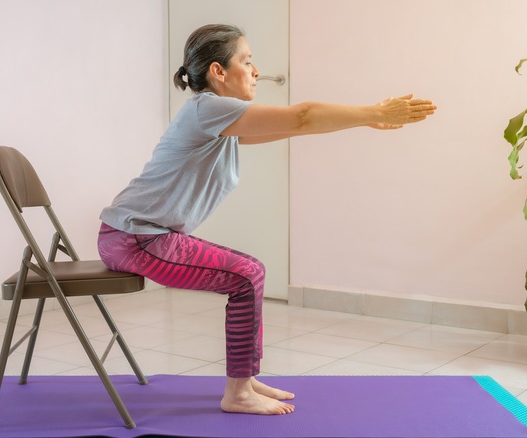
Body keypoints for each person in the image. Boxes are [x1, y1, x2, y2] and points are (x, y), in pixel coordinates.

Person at [98, 24, 436, 416]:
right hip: (135, 237)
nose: (256, 71)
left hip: (135, 235)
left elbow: (297, 125)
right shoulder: (206, 108)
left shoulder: (218, 121)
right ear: (218, 72)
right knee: (247, 275)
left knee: (249, 273)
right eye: (246, 61)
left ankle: (245, 379)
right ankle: (237, 391)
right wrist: (374, 110)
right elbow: (303, 117)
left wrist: (363, 121)